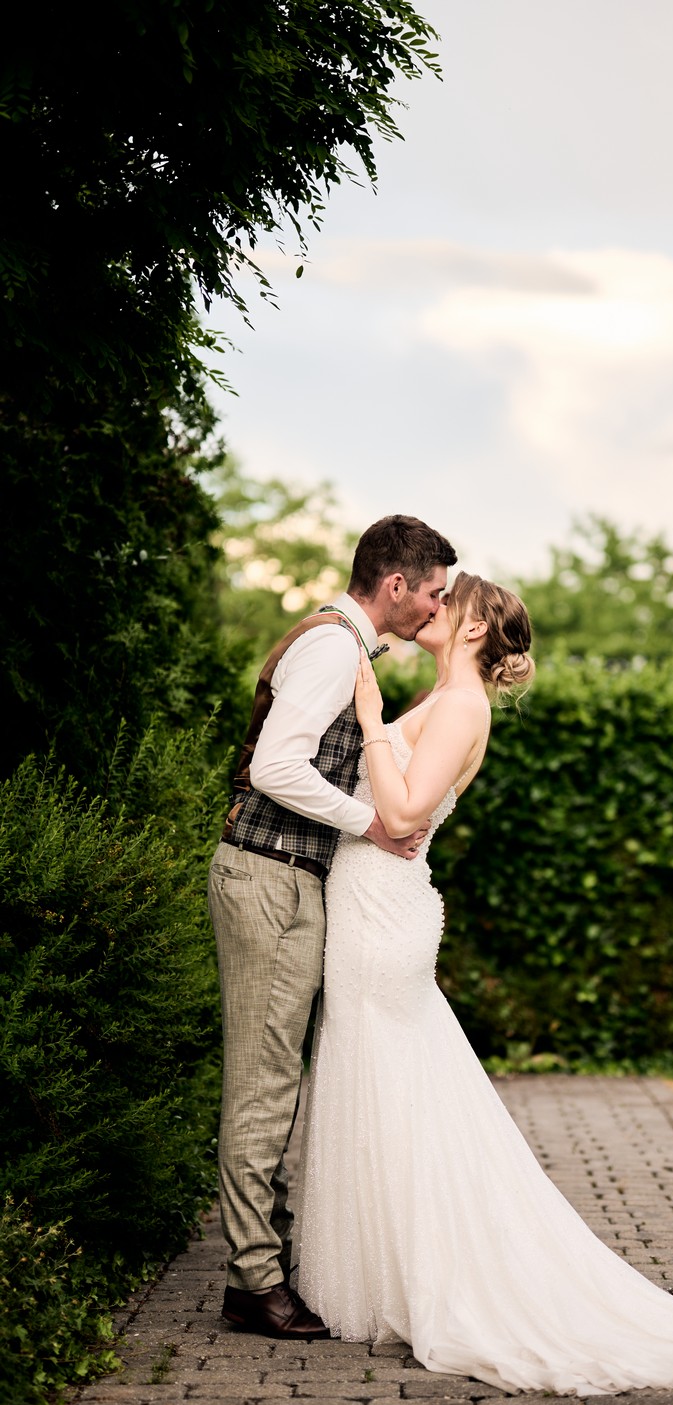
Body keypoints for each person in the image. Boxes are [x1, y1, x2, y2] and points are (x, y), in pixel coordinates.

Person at [297, 574, 673, 1393]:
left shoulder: (461, 708)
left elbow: (406, 814)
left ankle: (429, 1277)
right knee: (386, 1086)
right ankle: (388, 1275)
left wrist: (374, 720)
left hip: (383, 919)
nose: (433, 608)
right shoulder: (446, 697)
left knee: (392, 1085)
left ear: (478, 629)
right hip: (372, 905)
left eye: (450, 602)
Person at [208, 514, 457, 1340]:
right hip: (270, 879)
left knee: (274, 1074)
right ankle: (253, 1281)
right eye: (430, 592)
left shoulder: (345, 646)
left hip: (285, 880)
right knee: (264, 1081)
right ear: (395, 586)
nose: (433, 607)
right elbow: (276, 765)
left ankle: (265, 1261)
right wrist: (368, 825)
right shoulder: (332, 648)